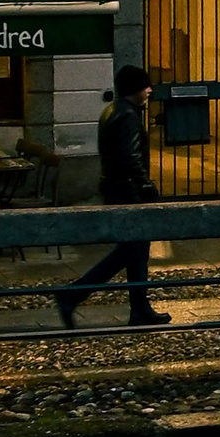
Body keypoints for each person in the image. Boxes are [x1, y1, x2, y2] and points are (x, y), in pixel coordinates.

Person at [57, 68, 170, 328]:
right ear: (134, 89)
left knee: (133, 251)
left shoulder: (111, 111)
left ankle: (139, 309)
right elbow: (130, 158)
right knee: (133, 251)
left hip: (114, 189)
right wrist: (145, 185)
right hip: (128, 192)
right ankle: (73, 295)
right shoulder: (128, 116)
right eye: (145, 86)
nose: (150, 90)